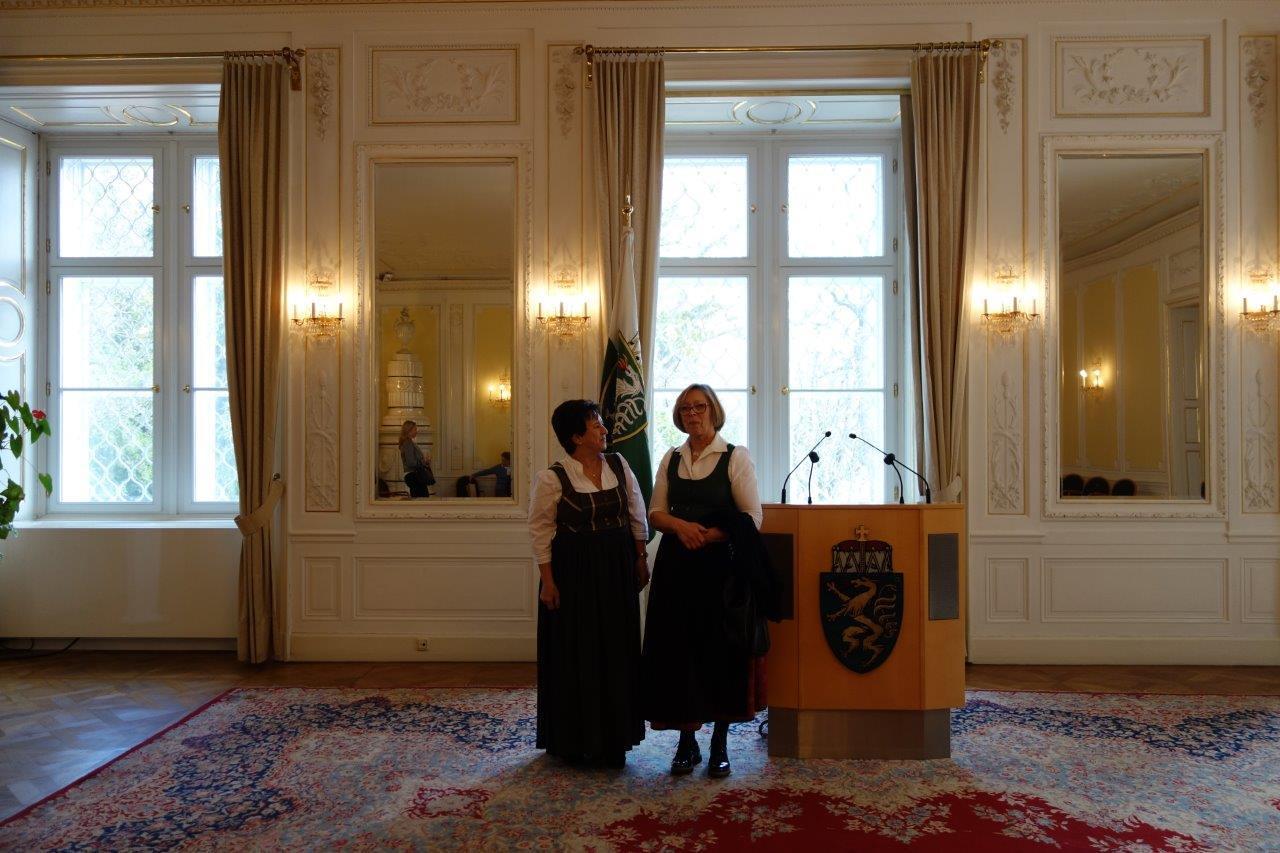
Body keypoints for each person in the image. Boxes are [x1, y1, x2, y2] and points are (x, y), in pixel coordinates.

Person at [643, 383, 767, 779]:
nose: (692, 414)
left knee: (721, 655)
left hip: (721, 571)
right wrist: (681, 527)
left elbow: (752, 517)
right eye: (685, 408)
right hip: (677, 568)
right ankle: (686, 742)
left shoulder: (735, 457)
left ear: (713, 410)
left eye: (699, 407)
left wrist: (710, 536)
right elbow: (655, 513)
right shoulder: (671, 457)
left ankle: (719, 745)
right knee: (680, 655)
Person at [527, 399, 650, 767]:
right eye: (596, 425)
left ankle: (615, 739)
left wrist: (640, 558)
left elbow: (636, 512)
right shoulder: (552, 478)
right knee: (577, 652)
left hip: (617, 567)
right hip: (574, 572)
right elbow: (540, 531)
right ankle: (575, 740)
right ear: (576, 436)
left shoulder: (619, 464)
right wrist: (548, 582)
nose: (604, 430)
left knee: (616, 650)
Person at [398, 420, 435, 498]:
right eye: (415, 429)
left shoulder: (409, 442)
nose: (416, 431)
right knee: (422, 500)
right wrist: (423, 462)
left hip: (415, 476)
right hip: (414, 476)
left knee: (421, 500)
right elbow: (411, 462)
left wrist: (424, 461)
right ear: (409, 431)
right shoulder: (408, 443)